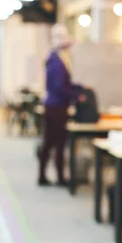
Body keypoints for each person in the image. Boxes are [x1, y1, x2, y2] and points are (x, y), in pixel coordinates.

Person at [38, 24, 84, 187]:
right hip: (57, 107)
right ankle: (59, 176)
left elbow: (64, 84)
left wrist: (79, 88)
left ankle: (44, 175)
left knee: (49, 142)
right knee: (57, 143)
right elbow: (60, 87)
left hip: (53, 105)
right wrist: (77, 95)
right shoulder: (58, 62)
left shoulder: (53, 58)